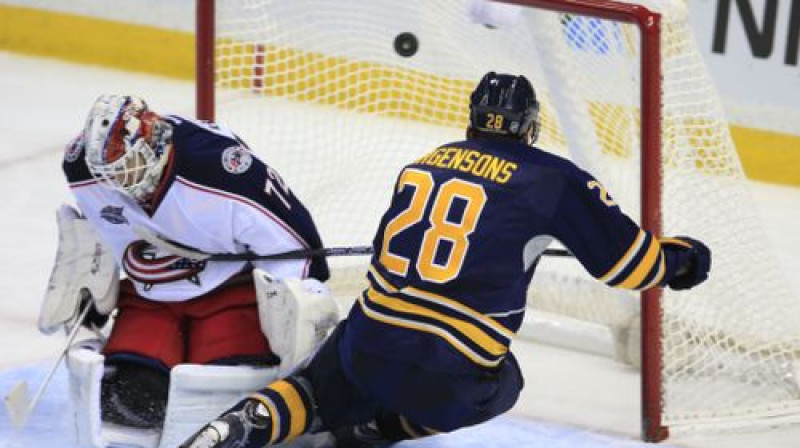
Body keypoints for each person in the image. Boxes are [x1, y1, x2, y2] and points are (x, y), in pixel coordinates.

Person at [178, 72, 712, 448]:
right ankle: (377, 432)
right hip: (451, 374)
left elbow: (391, 251)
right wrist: (684, 260)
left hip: (370, 346)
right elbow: (627, 267)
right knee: (505, 386)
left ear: (475, 119)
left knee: (320, 383)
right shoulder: (553, 177)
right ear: (529, 126)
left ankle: (246, 424)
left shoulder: (423, 164)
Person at [55, 94, 330, 430]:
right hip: (150, 295)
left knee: (223, 395)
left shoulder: (222, 172)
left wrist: (291, 312)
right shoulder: (84, 168)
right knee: (134, 397)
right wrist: (91, 282)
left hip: (229, 290)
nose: (120, 185)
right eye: (111, 174)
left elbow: (294, 242)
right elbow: (102, 229)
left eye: (129, 169)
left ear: (154, 144)